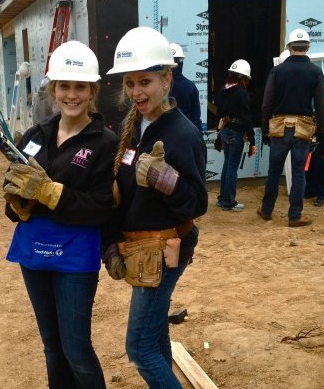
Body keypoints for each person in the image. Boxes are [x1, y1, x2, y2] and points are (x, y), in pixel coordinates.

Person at [2, 40, 118, 389]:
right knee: (52, 346)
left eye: (80, 86)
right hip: (34, 250)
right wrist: (17, 203)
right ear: (53, 89)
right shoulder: (36, 135)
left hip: (74, 256)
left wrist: (50, 193)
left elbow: (101, 206)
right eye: (64, 86)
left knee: (76, 350)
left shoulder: (104, 142)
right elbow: (12, 191)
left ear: (92, 91)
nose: (71, 95)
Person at [103, 26, 208, 388]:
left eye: (145, 82)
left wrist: (167, 180)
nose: (136, 92)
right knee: (155, 334)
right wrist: (111, 244)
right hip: (139, 248)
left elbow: (197, 204)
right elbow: (124, 194)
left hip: (165, 249)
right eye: (130, 83)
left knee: (139, 347)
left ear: (167, 80)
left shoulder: (183, 134)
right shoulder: (132, 128)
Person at [258, 28, 324, 227]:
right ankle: (295, 216)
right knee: (298, 173)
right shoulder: (316, 72)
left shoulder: (277, 71)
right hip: (303, 129)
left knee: (273, 171)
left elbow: (267, 103)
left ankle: (266, 210)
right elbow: (320, 105)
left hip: (279, 127)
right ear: (308, 46)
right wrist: (320, 132)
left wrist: (265, 128)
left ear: (289, 47)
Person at [214, 59, 256, 211]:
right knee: (232, 167)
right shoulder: (241, 93)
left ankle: (222, 199)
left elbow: (219, 114)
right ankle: (228, 202)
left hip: (225, 131)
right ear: (243, 78)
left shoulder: (222, 90)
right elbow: (247, 118)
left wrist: (218, 135)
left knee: (227, 165)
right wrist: (252, 141)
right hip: (236, 132)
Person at [169, 42, 203, 132]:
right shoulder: (190, 86)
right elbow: (196, 119)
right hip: (186, 133)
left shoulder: (158, 86)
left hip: (164, 134)